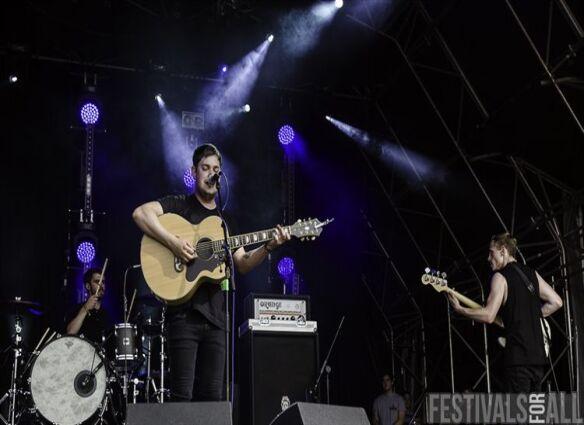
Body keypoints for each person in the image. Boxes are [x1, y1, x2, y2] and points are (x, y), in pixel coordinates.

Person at [132, 143, 290, 402]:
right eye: (205, 168)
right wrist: (174, 243)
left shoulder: (225, 223)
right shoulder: (178, 205)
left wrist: (269, 245)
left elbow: (243, 262)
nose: (211, 174)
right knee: (181, 396)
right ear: (193, 172)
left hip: (217, 319)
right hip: (183, 316)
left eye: (216, 169)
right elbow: (140, 214)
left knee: (213, 400)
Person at [447, 233, 563, 392]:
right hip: (538, 361)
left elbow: (488, 315)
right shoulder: (531, 274)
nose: (488, 258)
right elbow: (556, 302)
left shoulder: (500, 277)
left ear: (503, 251)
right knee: (534, 415)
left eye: (491, 252)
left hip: (518, 361)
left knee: (517, 415)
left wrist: (460, 310)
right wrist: (532, 317)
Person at [66, 267, 111, 344]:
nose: (101, 285)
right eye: (97, 282)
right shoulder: (77, 309)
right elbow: (70, 333)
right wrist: (85, 308)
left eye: (103, 282)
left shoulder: (107, 314)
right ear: (88, 286)